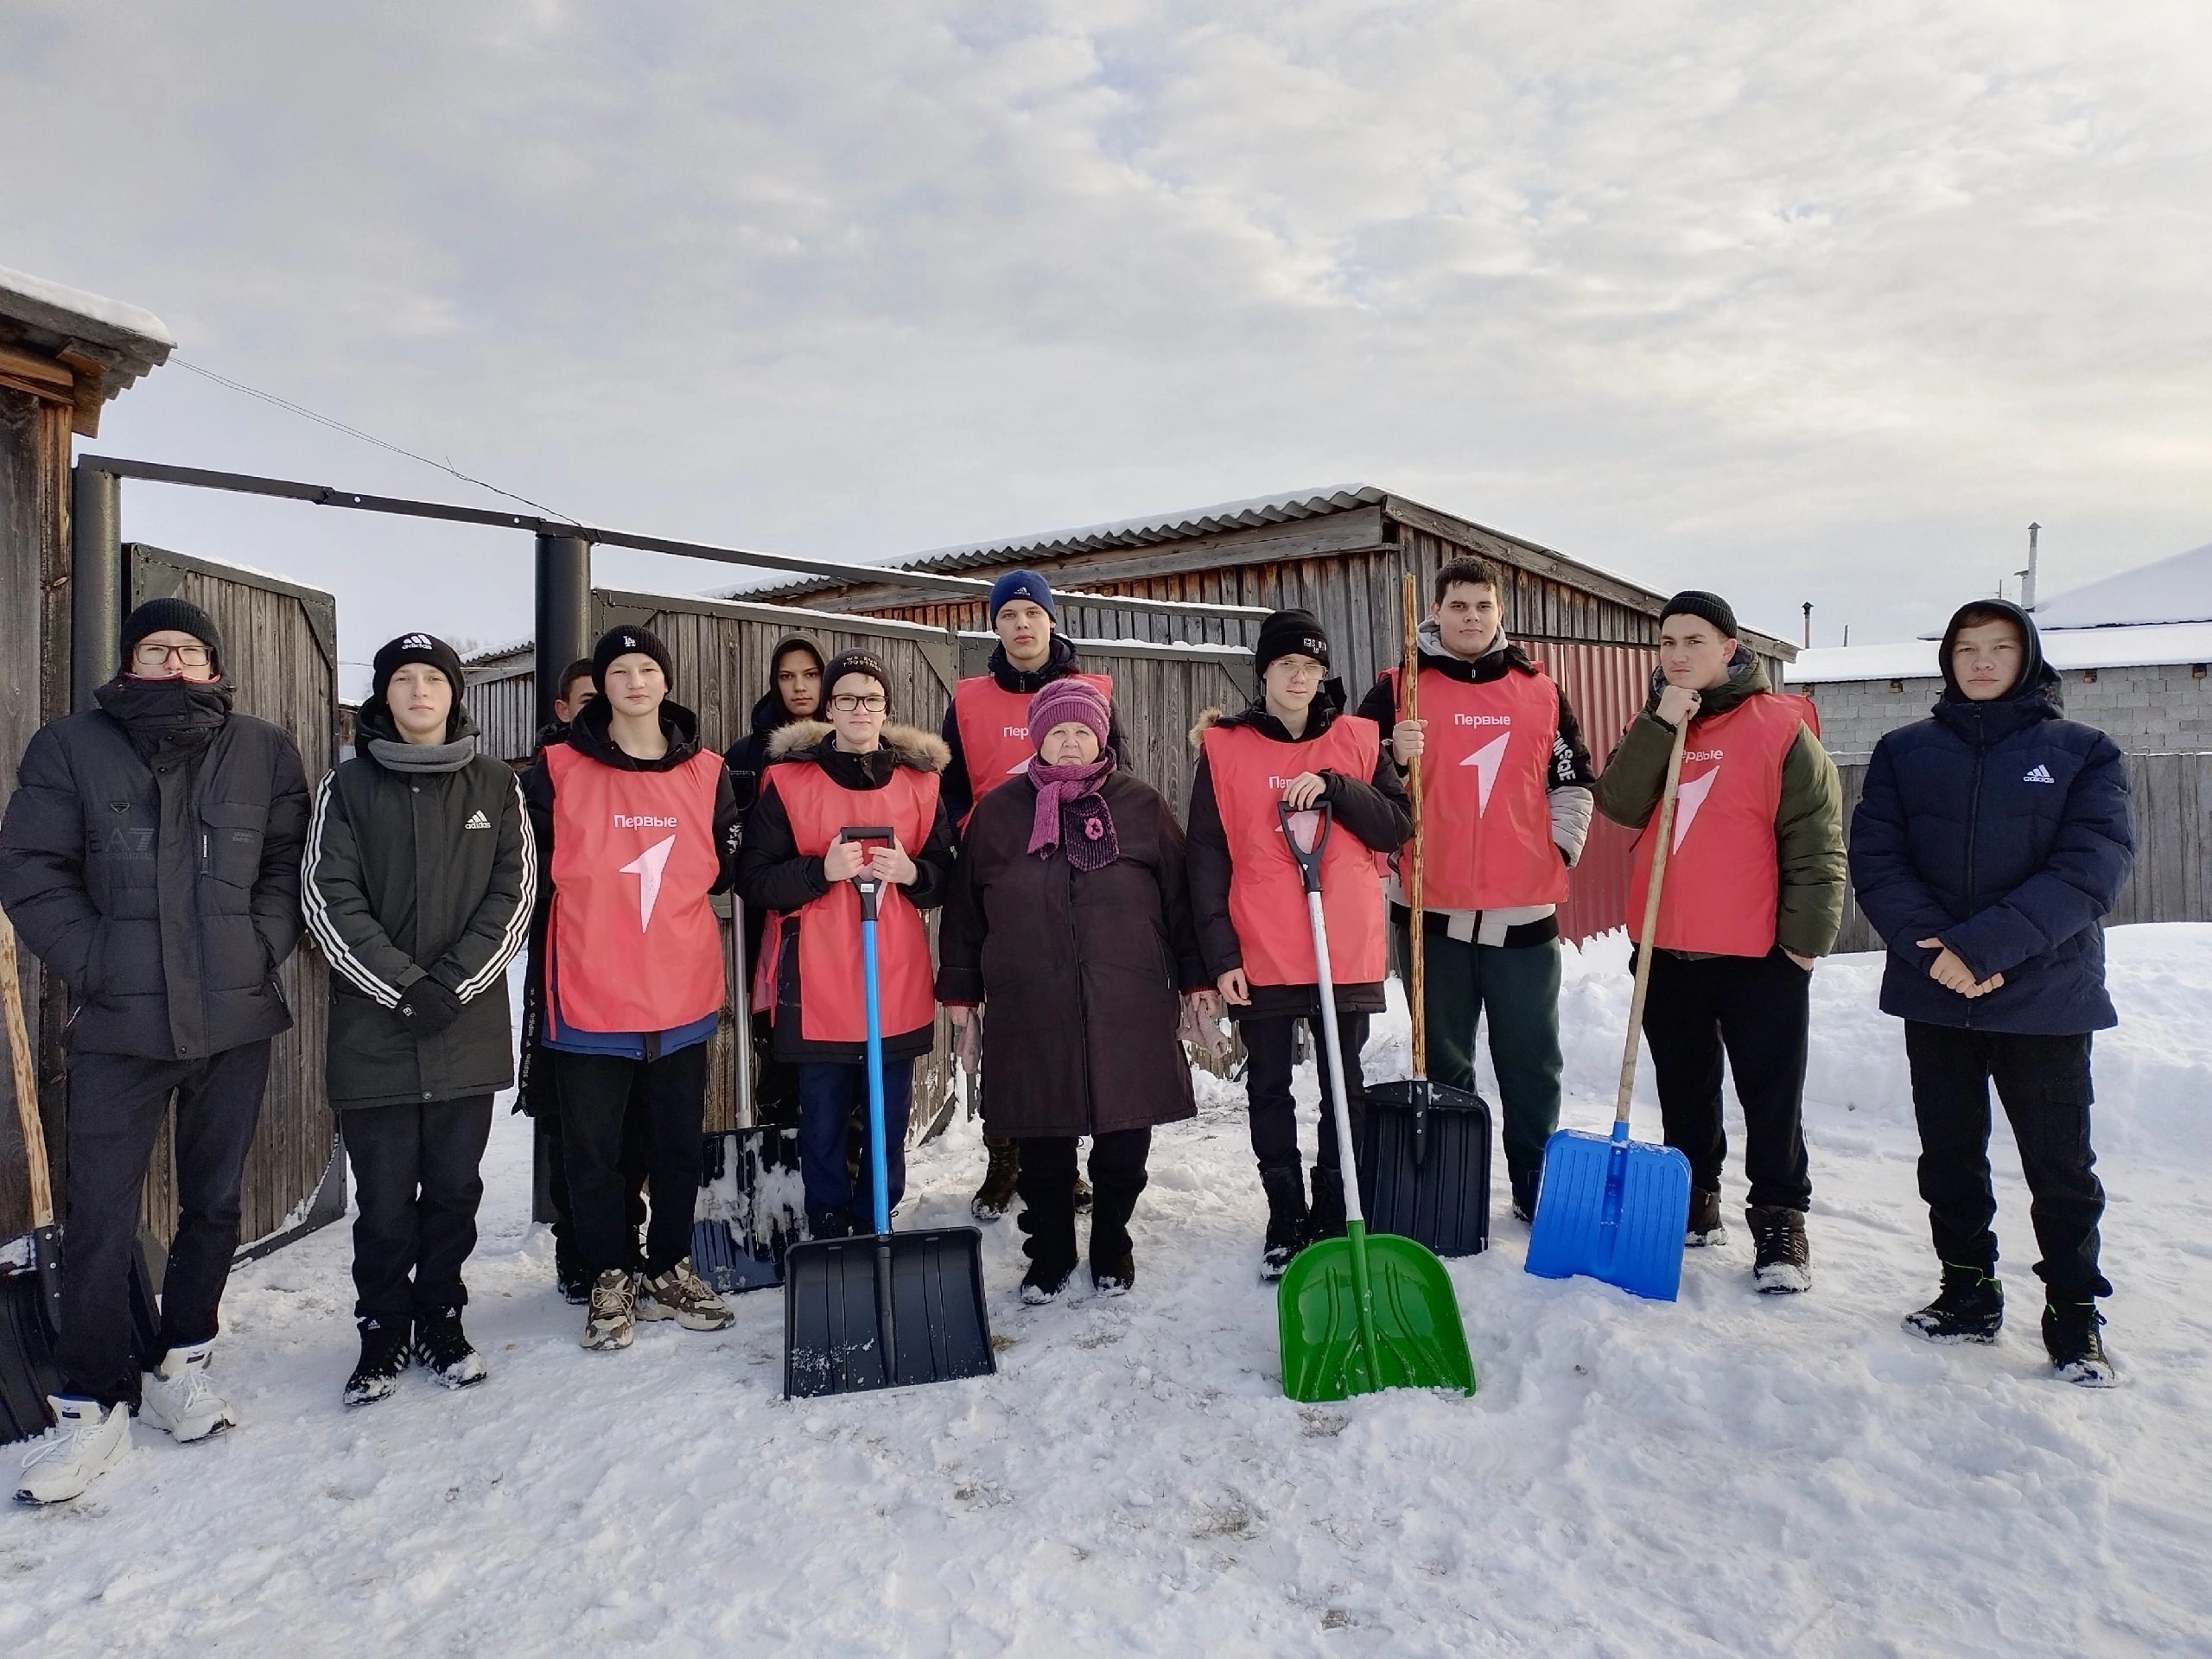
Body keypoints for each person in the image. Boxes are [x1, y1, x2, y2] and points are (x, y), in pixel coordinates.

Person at [1, 598, 308, 1504]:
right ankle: (93, 1399)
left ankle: (182, 1360)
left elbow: (289, 862)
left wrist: (260, 944)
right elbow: (29, 867)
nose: (174, 662)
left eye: (190, 650)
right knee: (98, 1214)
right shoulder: (71, 746)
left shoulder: (262, 748)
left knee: (213, 1203)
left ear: (213, 666)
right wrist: (97, 960)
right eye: (156, 648)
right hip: (121, 1027)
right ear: (130, 661)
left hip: (234, 1019)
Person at [1849, 600, 2133, 1384]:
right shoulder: (1905, 752)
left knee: (2060, 1164)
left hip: (2044, 995)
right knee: (1949, 1155)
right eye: (1966, 649)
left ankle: (2074, 1312)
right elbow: (1877, 859)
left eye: (1998, 648)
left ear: (2027, 657)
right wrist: (1934, 949)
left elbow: (2090, 867)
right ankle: (1967, 1287)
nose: (1980, 662)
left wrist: (1985, 949)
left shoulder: (2084, 753)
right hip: (1935, 989)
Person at [302, 633, 536, 1404]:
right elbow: (328, 899)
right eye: (402, 680)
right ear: (385, 696)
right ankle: (382, 1327)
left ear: (452, 694)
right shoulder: (347, 788)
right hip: (376, 1027)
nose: (418, 693)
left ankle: (441, 1313)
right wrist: (403, 987)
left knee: (454, 1189)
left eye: (432, 679)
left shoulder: (496, 785)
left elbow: (515, 892)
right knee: (384, 1195)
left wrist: (453, 983)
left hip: (463, 1028)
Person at [1592, 591, 1844, 1293]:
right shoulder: (1661, 721)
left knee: (1770, 1095)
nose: (1676, 654)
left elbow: (1816, 843)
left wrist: (1803, 945)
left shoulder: (1781, 727)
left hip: (1759, 955)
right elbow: (1616, 801)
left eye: (1693, 641)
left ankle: (1779, 1221)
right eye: (1667, 642)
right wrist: (1657, 723)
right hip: (1668, 948)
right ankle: (1695, 1200)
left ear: (1730, 649)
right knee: (1684, 1087)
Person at [937, 679, 1212, 1301]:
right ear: (1038, 737)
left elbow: (1181, 903)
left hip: (1128, 999)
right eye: (1057, 731)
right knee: (1041, 1140)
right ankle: (1051, 1251)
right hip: (1030, 999)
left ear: (1102, 737)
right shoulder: (999, 813)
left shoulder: (1139, 804)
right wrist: (961, 997)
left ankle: (1112, 1242)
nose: (1069, 743)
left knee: (1125, 1135)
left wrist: (1196, 980)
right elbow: (963, 915)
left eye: (1082, 731)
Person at [1356, 557, 1597, 1222]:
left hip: (1522, 912)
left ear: (1498, 613)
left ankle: (1532, 1175)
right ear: (1435, 611)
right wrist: (1388, 752)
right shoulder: (1399, 687)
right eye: (1457, 605)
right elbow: (1353, 780)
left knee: (1530, 1059)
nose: (1469, 617)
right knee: (1441, 1056)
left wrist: (1558, 850)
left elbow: (1573, 779)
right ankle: (1452, 1177)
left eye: (1481, 606)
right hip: (1431, 909)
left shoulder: (1539, 689)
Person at [522, 626, 741, 1351]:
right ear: (601, 685)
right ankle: (608, 1272)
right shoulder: (555, 769)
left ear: (665, 681)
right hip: (589, 995)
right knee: (593, 1156)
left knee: (677, 1147)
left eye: (648, 667)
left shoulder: (709, 772)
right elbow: (525, 874)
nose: (636, 680)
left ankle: (670, 1265)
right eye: (621, 670)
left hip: (680, 996)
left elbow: (730, 865)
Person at [1187, 608, 1411, 1279]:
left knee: (1345, 1087)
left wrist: (1339, 788)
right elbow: (1205, 856)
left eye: (1311, 668)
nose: (1299, 678)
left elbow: (1395, 827)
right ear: (1264, 672)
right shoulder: (1225, 748)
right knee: (1269, 1085)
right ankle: (1283, 1212)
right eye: (1287, 665)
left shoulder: (1359, 740)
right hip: (1262, 946)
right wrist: (1220, 955)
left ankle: (1333, 1208)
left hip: (1342, 945)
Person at [738, 652, 957, 1237]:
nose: (860, 709)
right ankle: (829, 1221)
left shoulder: (920, 784)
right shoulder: (788, 781)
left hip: (894, 977)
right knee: (824, 1121)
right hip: (818, 982)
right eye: (846, 698)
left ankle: (878, 1215)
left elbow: (946, 876)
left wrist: (913, 874)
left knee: (887, 1119)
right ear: (828, 707)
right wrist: (818, 870)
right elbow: (754, 879)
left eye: (872, 699)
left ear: (886, 710)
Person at [941, 570, 1129, 1224]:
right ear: (995, 626)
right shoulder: (967, 700)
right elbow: (952, 790)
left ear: (1052, 620)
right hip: (1003, 881)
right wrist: (975, 839)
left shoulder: (1090, 693)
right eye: (1009, 614)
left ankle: (1066, 1162)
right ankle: (1003, 1157)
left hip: (1074, 876)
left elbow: (1117, 779)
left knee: (1070, 1018)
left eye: (1033, 613)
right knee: (1009, 1022)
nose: (1022, 624)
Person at [517, 658, 649, 1304]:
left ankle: (626, 1239)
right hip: (567, 965)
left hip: (634, 971)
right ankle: (580, 1246)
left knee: (629, 1123)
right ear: (566, 708)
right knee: (571, 1116)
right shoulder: (549, 774)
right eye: (592, 696)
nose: (612, 702)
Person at [721, 635, 826, 1125]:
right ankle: (779, 1144)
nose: (800, 686)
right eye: (787, 676)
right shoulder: (748, 753)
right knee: (777, 1047)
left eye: (810, 674)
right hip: (769, 919)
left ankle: (841, 1167)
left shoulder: (850, 740)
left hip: (832, 914)